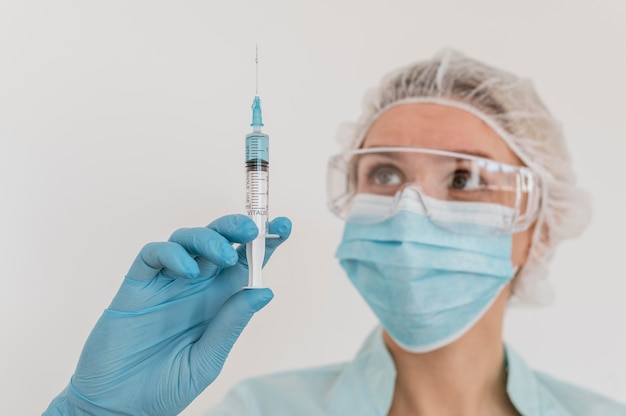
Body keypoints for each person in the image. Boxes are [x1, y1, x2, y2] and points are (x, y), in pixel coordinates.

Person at [44, 48, 626, 416]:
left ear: (540, 228)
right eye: (387, 173)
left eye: (466, 178)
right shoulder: (259, 411)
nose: (408, 209)